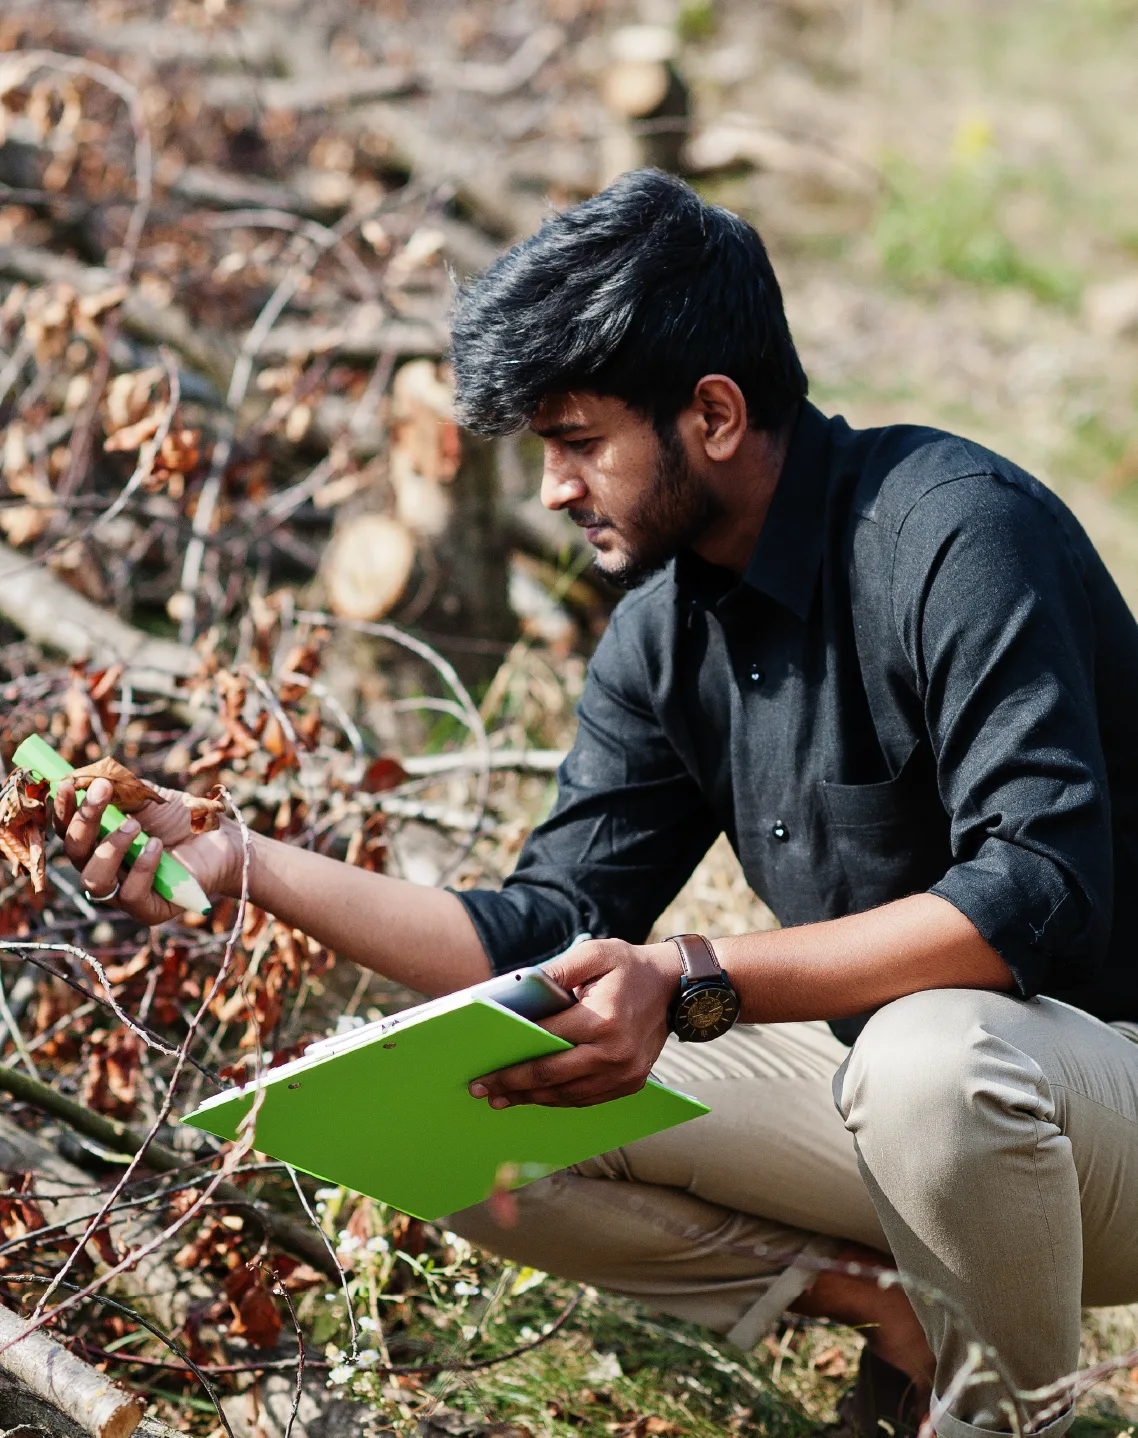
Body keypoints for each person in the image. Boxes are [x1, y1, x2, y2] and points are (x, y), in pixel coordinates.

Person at [56, 170, 1138, 1438]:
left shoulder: (952, 537)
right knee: (437, 1090)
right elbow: (534, 934)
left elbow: (1034, 892)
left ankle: (1005, 1416)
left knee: (928, 1060)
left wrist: (687, 977)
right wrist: (244, 858)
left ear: (714, 414)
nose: (554, 490)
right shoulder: (661, 635)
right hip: (909, 1119)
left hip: (1084, 1102)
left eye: (577, 442)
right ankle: (901, 1318)